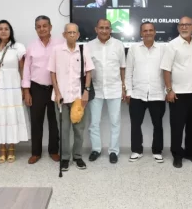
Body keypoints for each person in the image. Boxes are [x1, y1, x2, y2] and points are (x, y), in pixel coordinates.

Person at [49, 23, 94, 171]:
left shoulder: (83, 49)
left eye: (75, 32)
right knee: (64, 130)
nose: (72, 35)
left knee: (79, 130)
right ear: (64, 35)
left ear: (78, 34)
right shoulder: (56, 50)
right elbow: (52, 73)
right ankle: (65, 158)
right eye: (69, 32)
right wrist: (57, 92)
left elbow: (88, 72)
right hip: (61, 98)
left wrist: (86, 91)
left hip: (78, 98)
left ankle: (78, 157)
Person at [160, 16, 192, 168]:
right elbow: (166, 69)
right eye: (181, 25)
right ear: (178, 28)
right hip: (178, 94)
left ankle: (190, 152)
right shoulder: (172, 45)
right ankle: (177, 155)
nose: (184, 27)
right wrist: (169, 90)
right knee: (177, 127)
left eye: (187, 25)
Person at [0, 20, 30, 164]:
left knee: (11, 116)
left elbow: (23, 68)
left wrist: (24, 88)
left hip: (13, 87)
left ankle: (11, 148)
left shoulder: (18, 47)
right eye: (0, 29)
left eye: (6, 29)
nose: (3, 31)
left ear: (10, 31)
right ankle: (1, 148)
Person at [22, 16, 61, 164]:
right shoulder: (31, 46)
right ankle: (36, 153)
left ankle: (54, 151)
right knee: (36, 121)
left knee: (54, 121)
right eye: (39, 26)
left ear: (50, 27)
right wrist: (26, 91)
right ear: (35, 29)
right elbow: (26, 69)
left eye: (45, 26)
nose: (42, 29)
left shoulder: (59, 43)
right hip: (36, 88)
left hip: (55, 88)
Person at [87, 19, 126, 164]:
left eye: (107, 28)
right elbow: (86, 70)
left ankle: (114, 151)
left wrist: (124, 87)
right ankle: (96, 149)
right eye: (101, 28)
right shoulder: (89, 46)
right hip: (95, 89)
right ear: (96, 29)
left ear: (111, 30)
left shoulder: (118, 45)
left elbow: (122, 67)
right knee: (94, 122)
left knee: (115, 122)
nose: (104, 30)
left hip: (114, 88)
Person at [126, 22, 166, 163]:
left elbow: (167, 71)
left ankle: (157, 150)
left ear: (155, 32)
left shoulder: (163, 49)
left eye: (150, 30)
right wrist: (129, 91)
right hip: (137, 93)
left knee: (158, 124)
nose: (148, 33)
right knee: (135, 124)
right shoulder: (133, 49)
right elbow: (128, 71)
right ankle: (137, 150)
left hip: (157, 93)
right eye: (145, 31)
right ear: (141, 33)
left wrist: (167, 90)